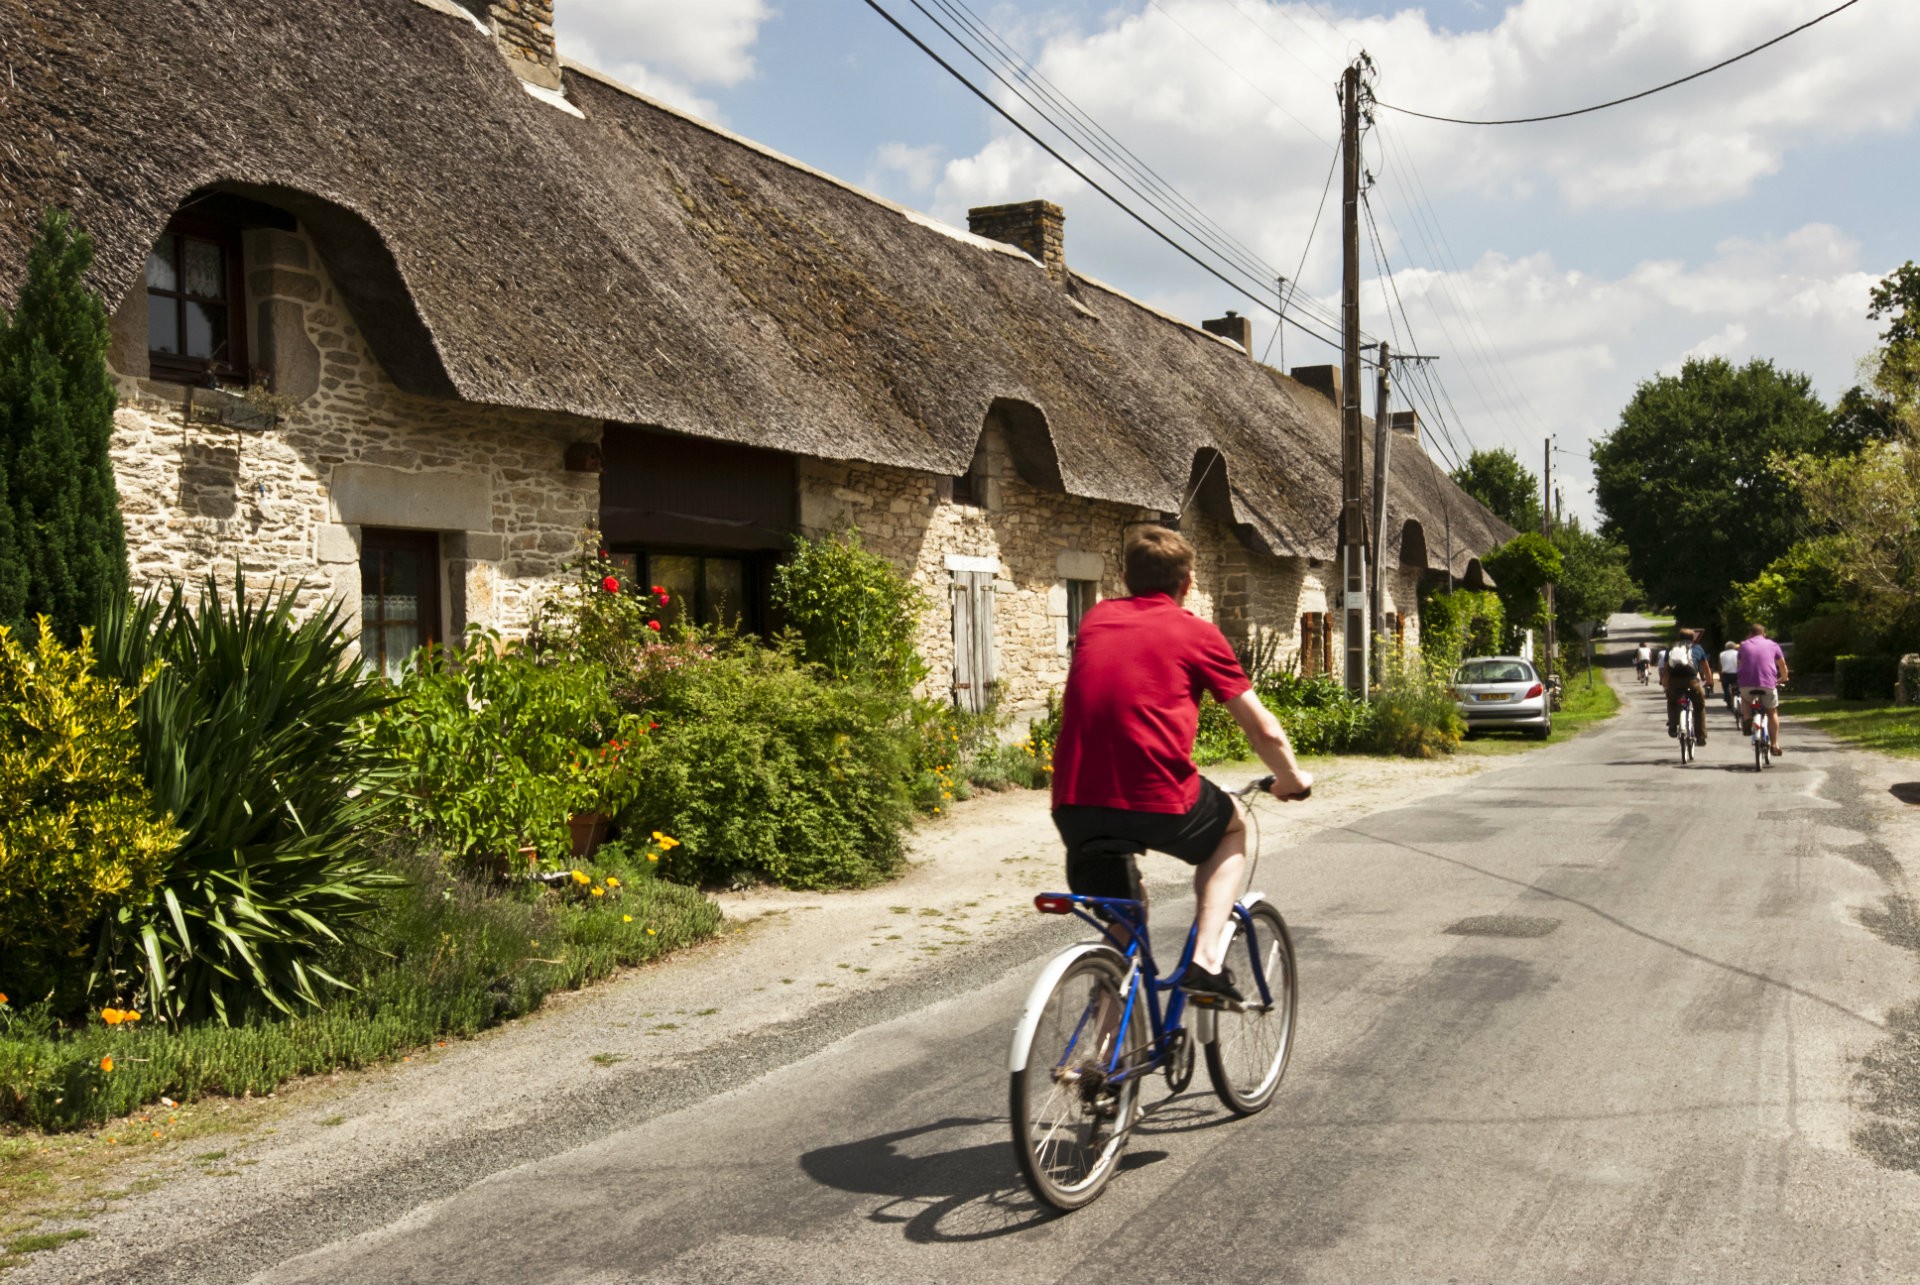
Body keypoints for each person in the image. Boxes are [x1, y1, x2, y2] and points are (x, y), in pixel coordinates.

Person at [1051, 526, 1313, 1004]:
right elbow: (1264, 730)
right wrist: (1292, 779)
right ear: (1188, 583)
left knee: (1125, 922)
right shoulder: (1197, 633)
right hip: (1155, 797)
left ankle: (1097, 1065)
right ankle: (1207, 962)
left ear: (1125, 576)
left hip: (1075, 803)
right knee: (1231, 828)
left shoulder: (1095, 619)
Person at [1736, 622, 1790, 754]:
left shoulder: (1743, 645)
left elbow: (1739, 665)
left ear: (1750, 634)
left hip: (1746, 683)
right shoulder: (1773, 645)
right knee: (1772, 712)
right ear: (1764, 634)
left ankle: (1747, 718)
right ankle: (1775, 744)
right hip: (1767, 683)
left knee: (1746, 700)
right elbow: (1782, 665)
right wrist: (1784, 678)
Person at [1659, 628, 1710, 745]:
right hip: (1692, 682)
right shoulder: (1698, 648)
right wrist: (1709, 681)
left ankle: (1672, 726)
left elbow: (1666, 669)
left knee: (1672, 702)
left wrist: (1665, 684)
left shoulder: (1671, 648)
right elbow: (1706, 669)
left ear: (1679, 637)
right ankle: (1701, 736)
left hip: (1674, 682)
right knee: (1699, 706)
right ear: (1693, 638)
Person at [1718, 640, 1741, 712]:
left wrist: (1720, 675)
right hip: (1737, 674)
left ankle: (1728, 702)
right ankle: (1739, 698)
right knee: (1738, 687)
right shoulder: (1738, 653)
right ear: (1734, 647)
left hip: (1726, 674)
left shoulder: (1721, 654)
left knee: (1726, 688)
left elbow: (1720, 666)